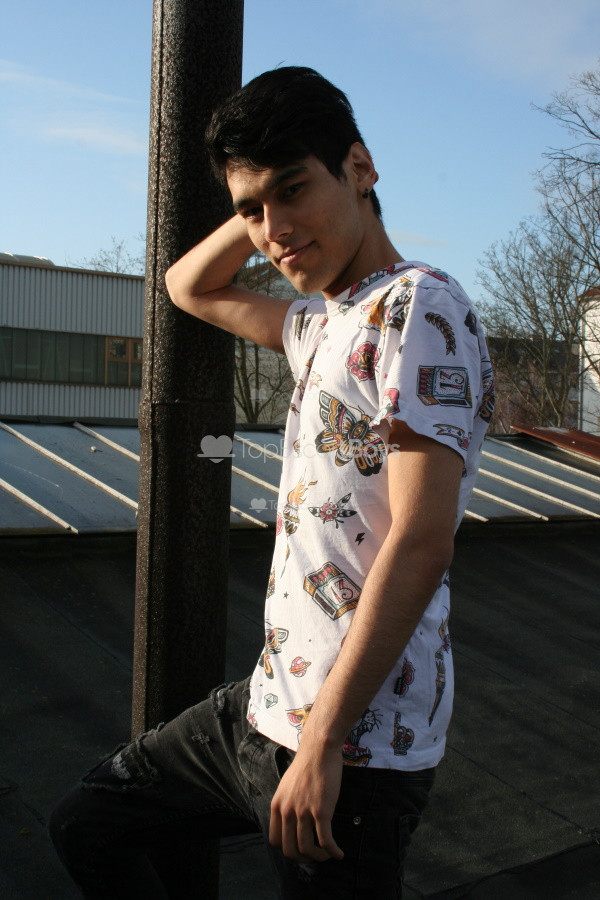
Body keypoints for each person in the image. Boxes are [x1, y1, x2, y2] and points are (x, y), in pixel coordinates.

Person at [50, 66, 494, 898]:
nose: (275, 230)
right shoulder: (321, 324)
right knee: (89, 822)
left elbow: (422, 541)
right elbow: (187, 286)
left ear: (360, 168)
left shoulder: (418, 307)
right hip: (264, 709)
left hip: (353, 750)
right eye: (252, 209)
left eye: (294, 189)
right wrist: (259, 206)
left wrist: (324, 740)